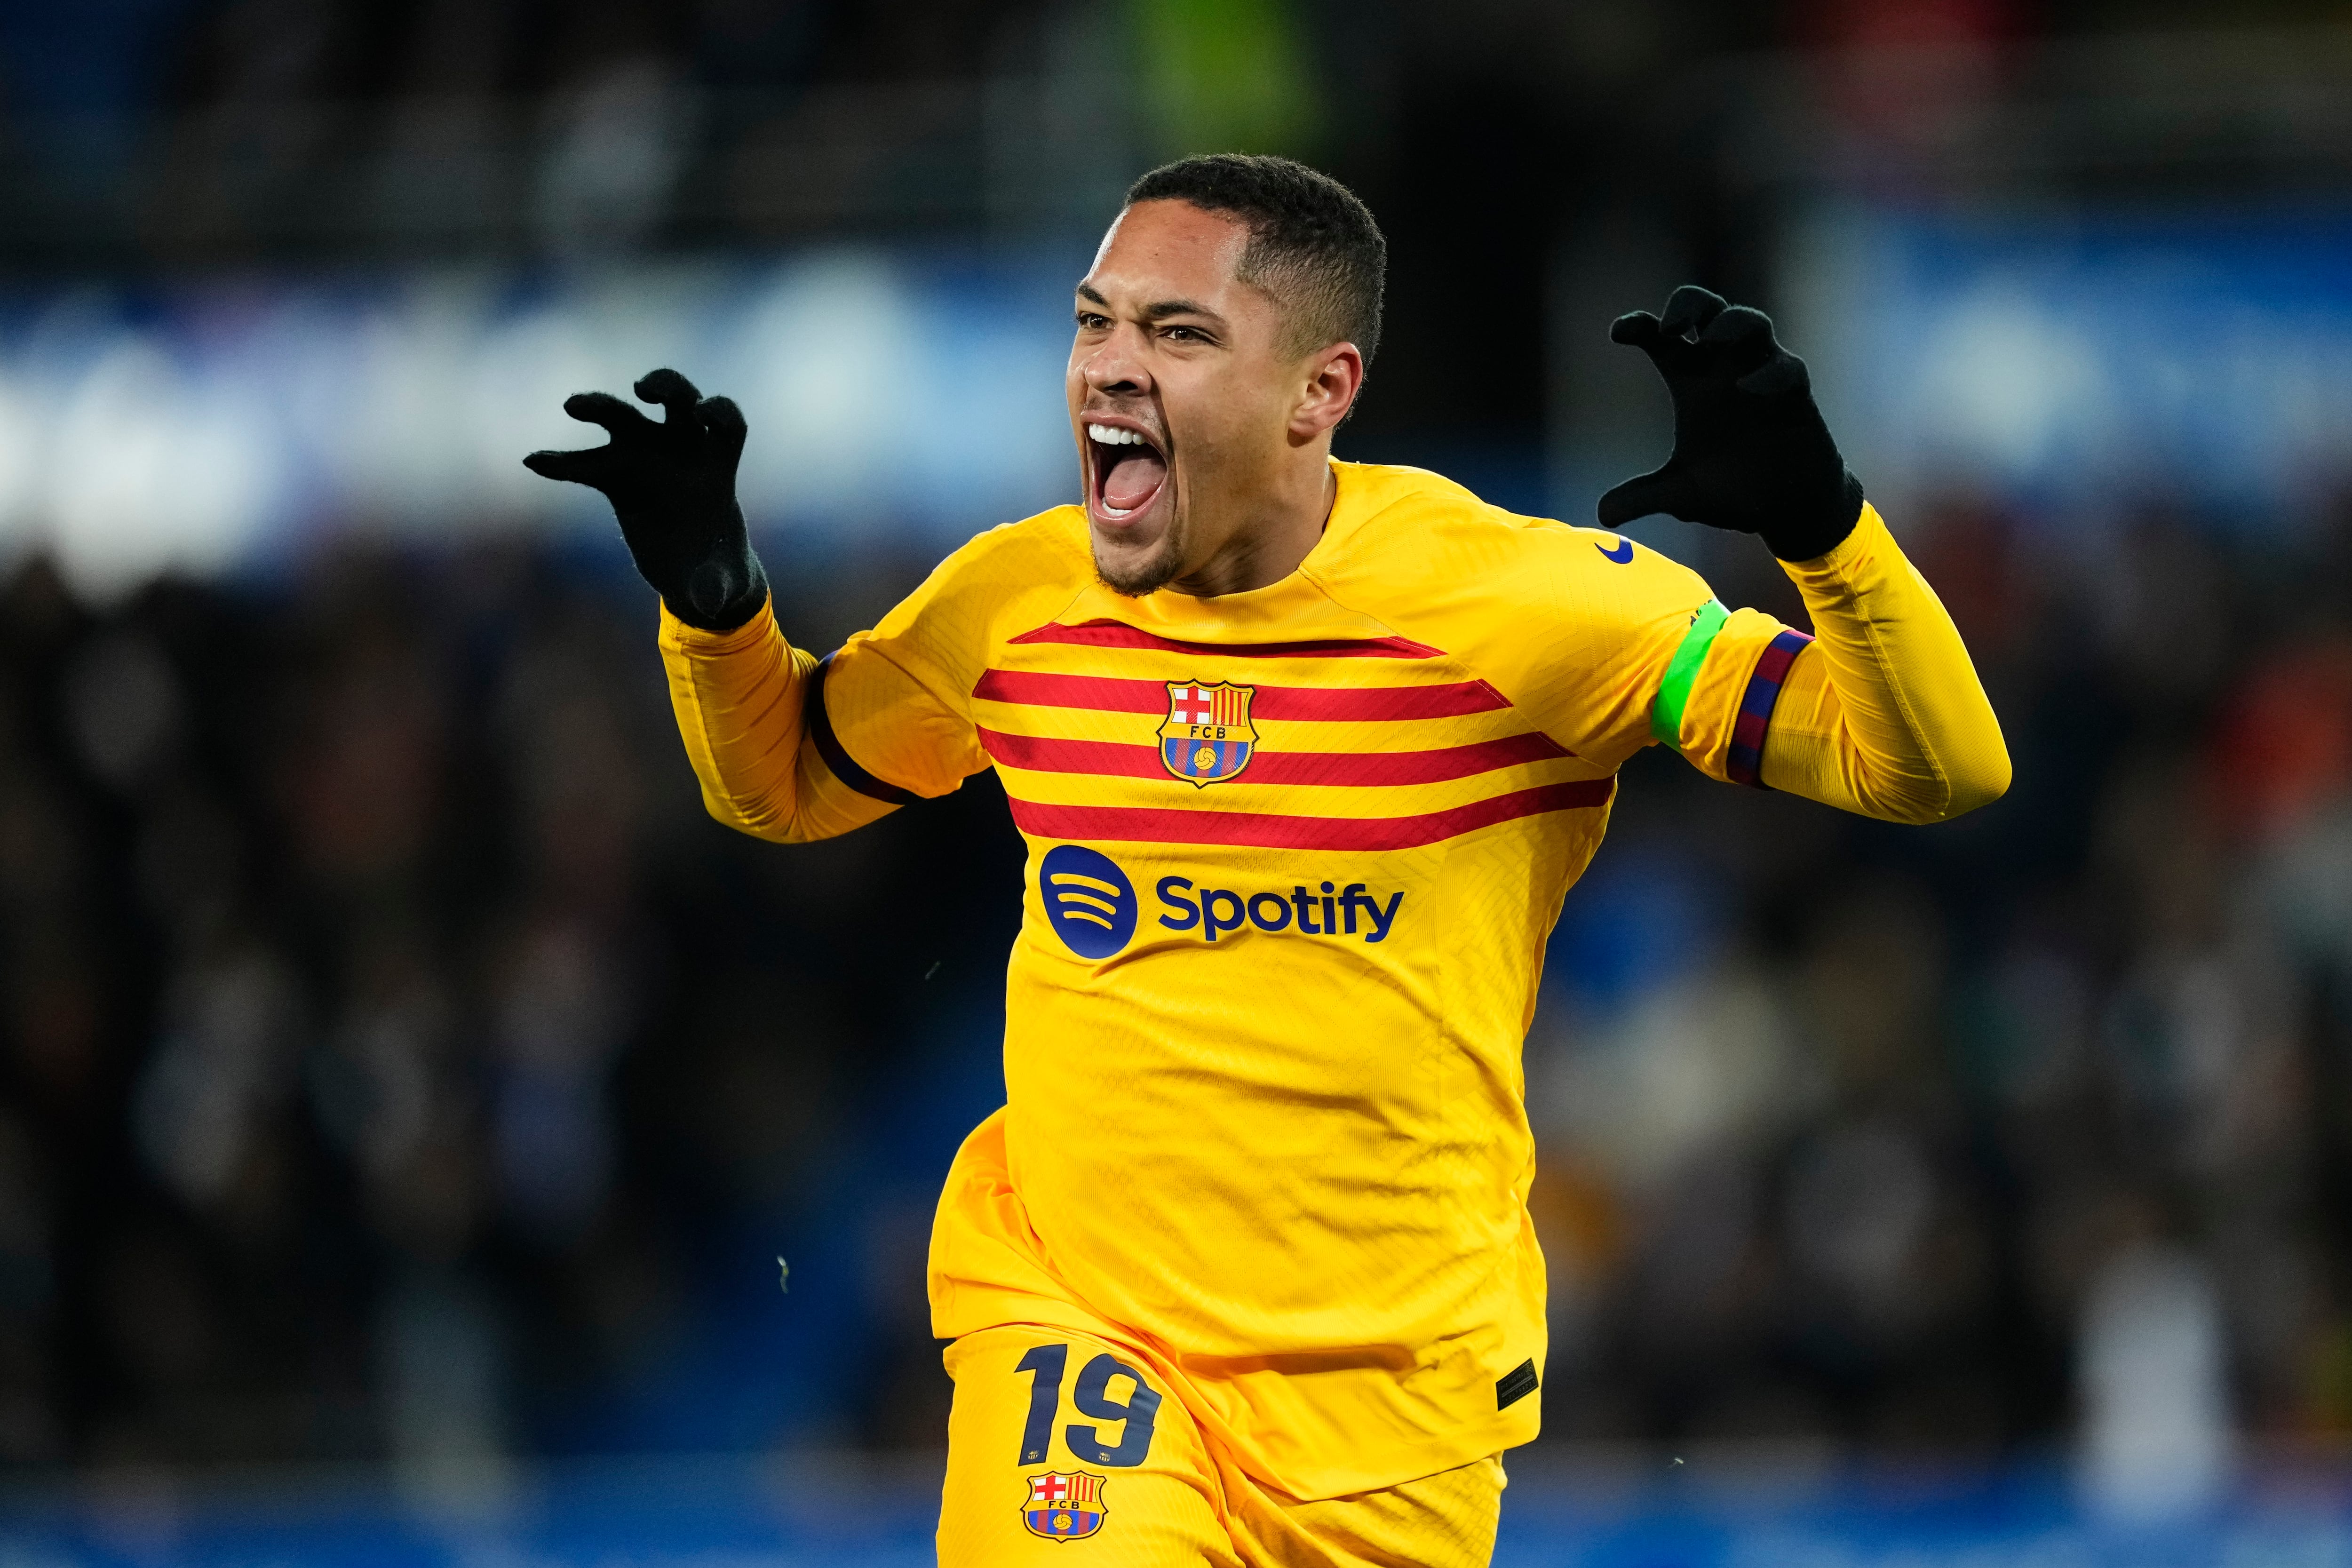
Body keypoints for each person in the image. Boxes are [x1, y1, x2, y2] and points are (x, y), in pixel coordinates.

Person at [524, 153, 2008, 1568]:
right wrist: (717, 606)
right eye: (1095, 321)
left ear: (1321, 391)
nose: (1110, 366)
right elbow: (784, 783)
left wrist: (1827, 529)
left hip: (1391, 1408)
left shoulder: (1527, 611)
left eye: (1176, 332)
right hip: (1085, 1328)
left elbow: (1936, 766)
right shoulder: (1016, 602)